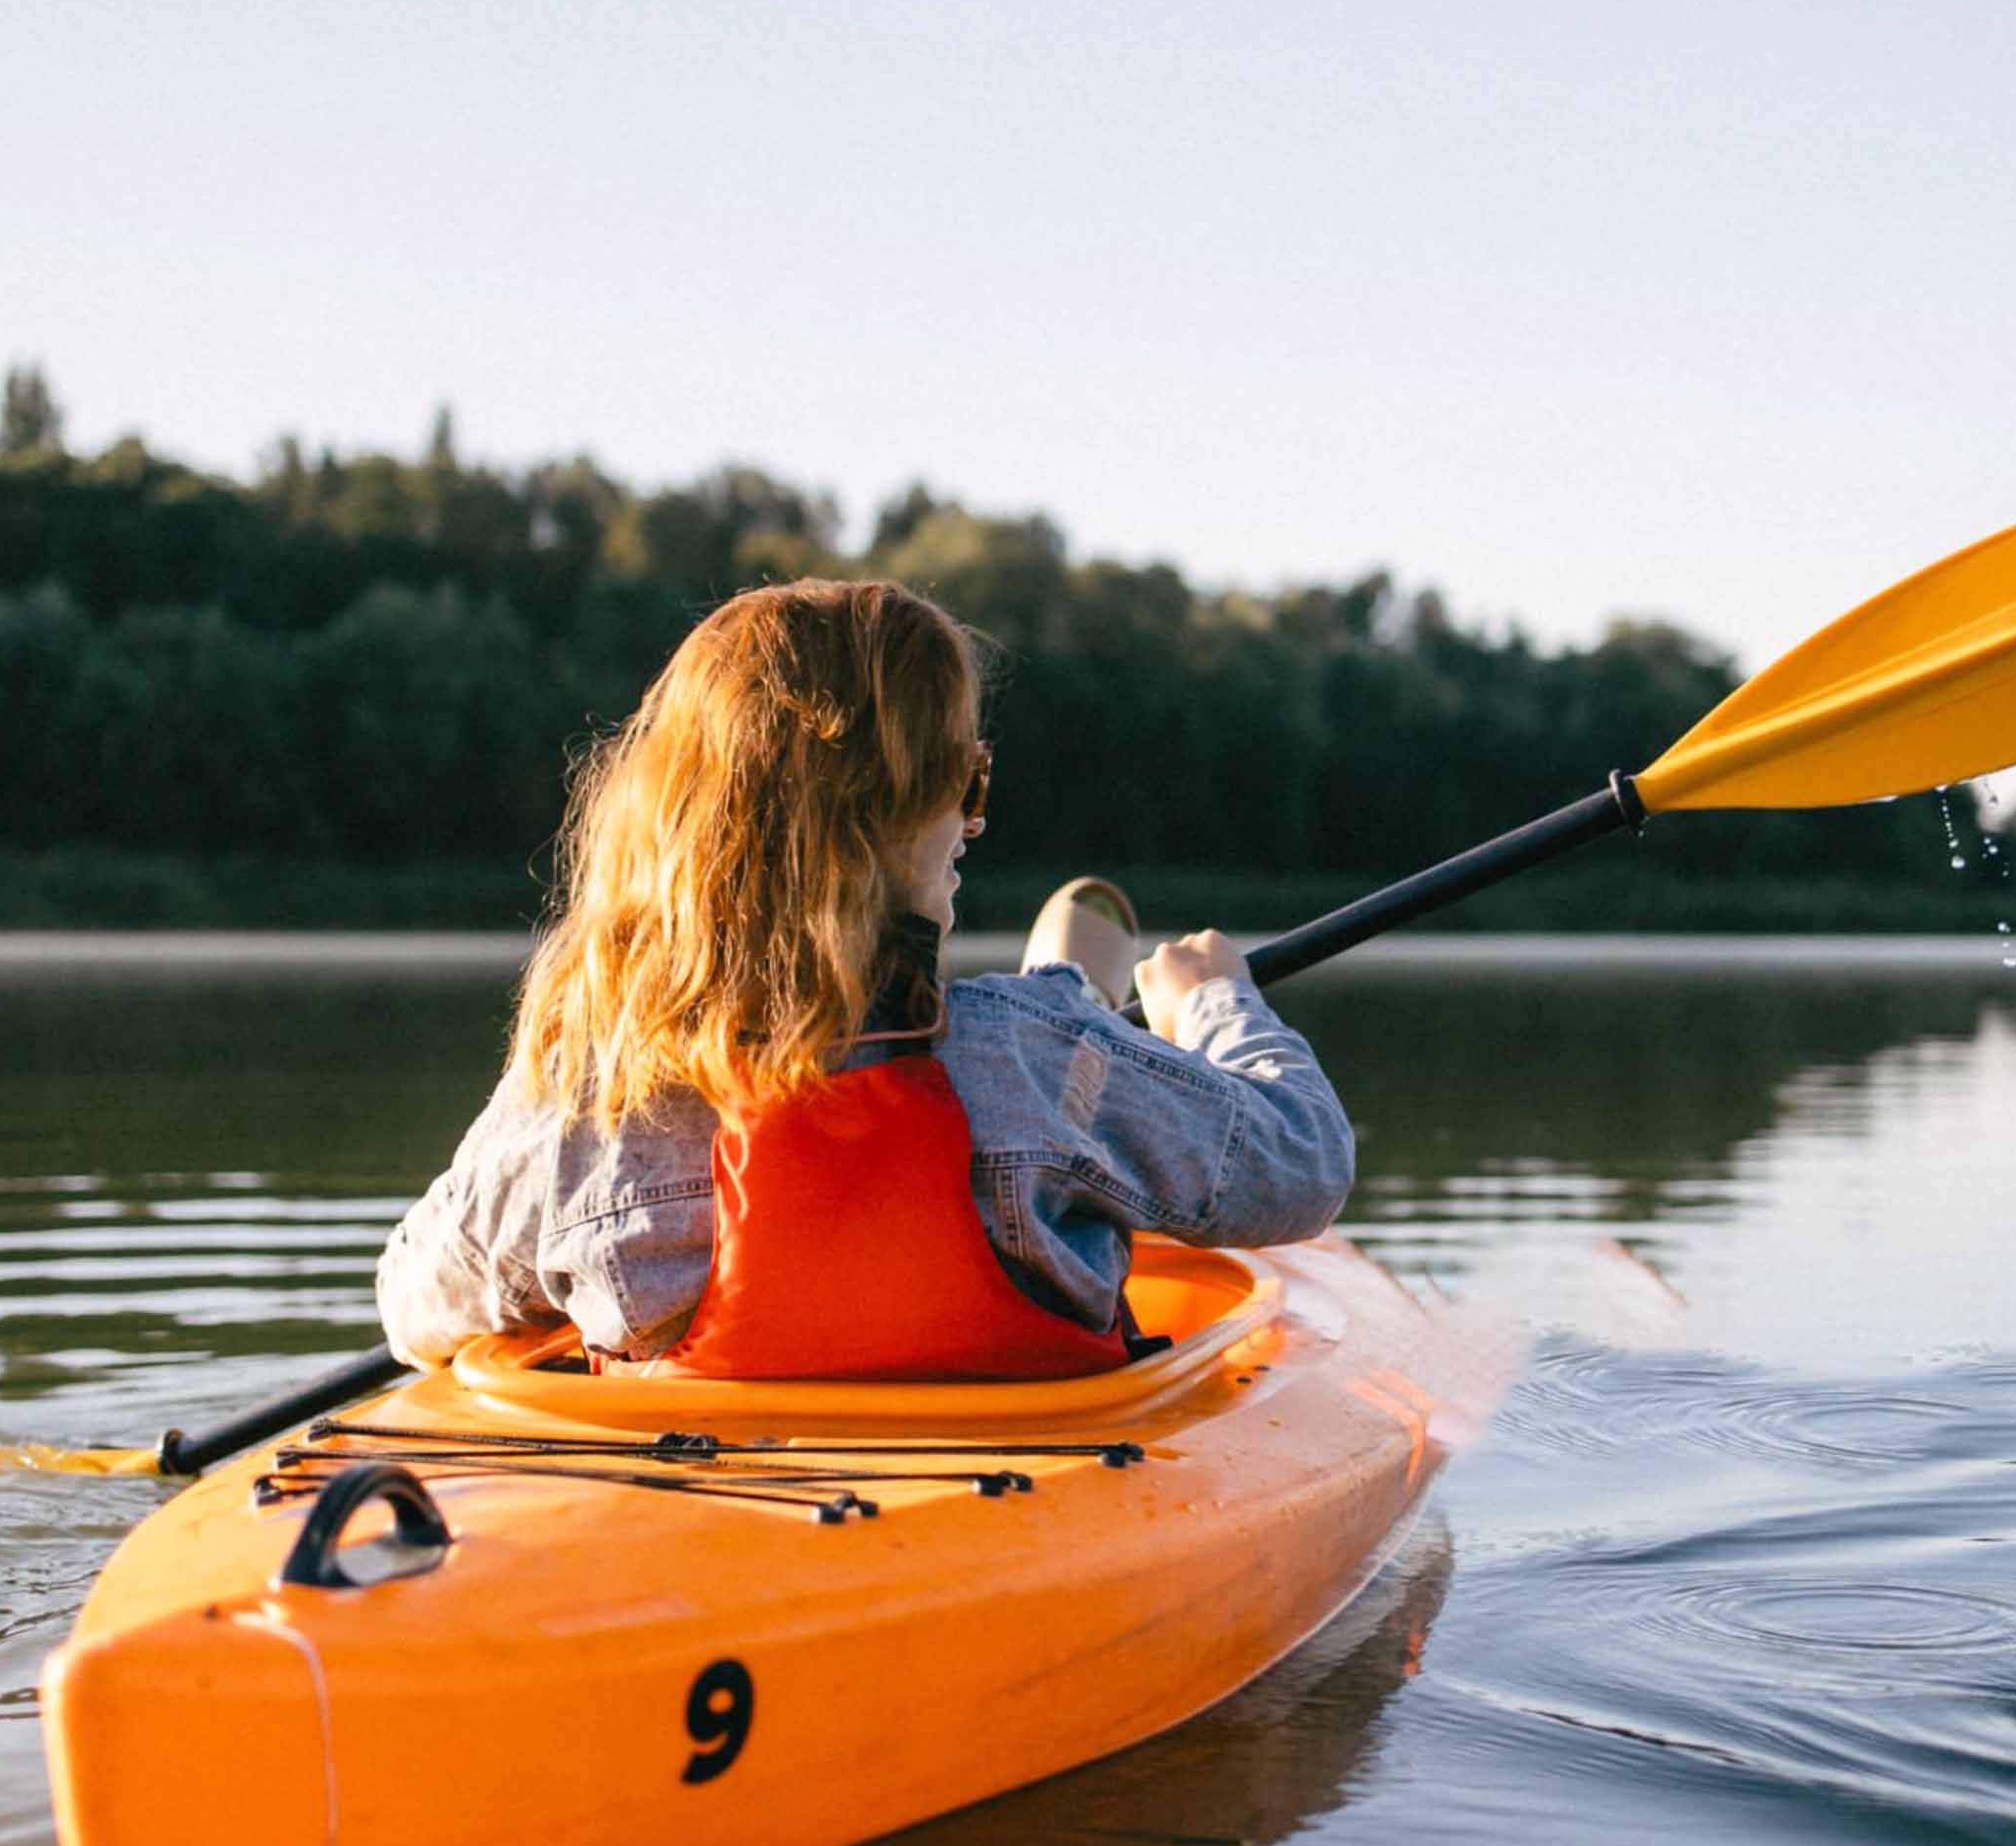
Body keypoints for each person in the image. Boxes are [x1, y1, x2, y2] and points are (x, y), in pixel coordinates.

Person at [376, 577, 1354, 1378]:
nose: (974, 818)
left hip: (699, 1489)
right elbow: (1305, 1164)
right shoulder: (1032, 1053)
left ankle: (1075, 981)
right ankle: (1083, 986)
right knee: (1070, 1042)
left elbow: (414, 1306)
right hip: (1023, 1465)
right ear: (916, 815)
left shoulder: (579, 1102)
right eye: (967, 784)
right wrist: (1215, 1004)